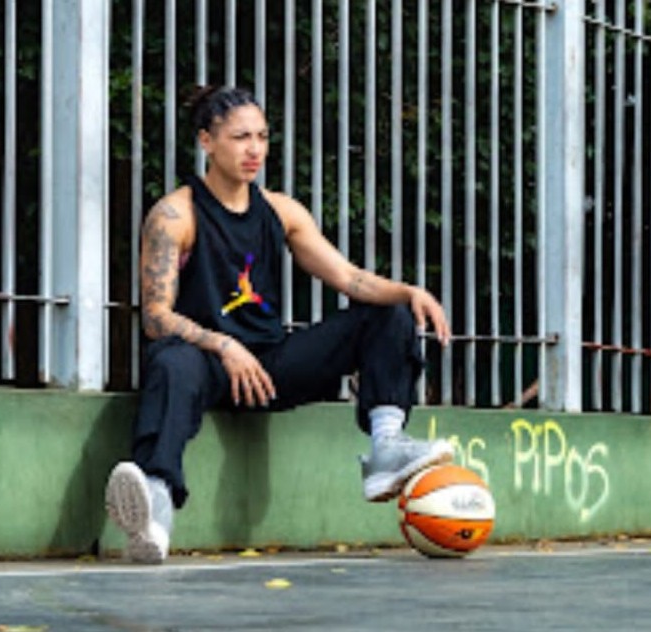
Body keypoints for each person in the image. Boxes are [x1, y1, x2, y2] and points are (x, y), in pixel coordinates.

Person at [104, 85, 454, 564]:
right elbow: (156, 316)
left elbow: (348, 278)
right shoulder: (175, 214)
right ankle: (156, 505)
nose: (254, 150)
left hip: (270, 369)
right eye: (240, 137)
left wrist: (408, 292)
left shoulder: (281, 210)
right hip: (207, 366)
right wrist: (224, 346)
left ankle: (386, 447)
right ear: (206, 141)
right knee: (171, 361)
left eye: (262, 137)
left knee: (386, 313)